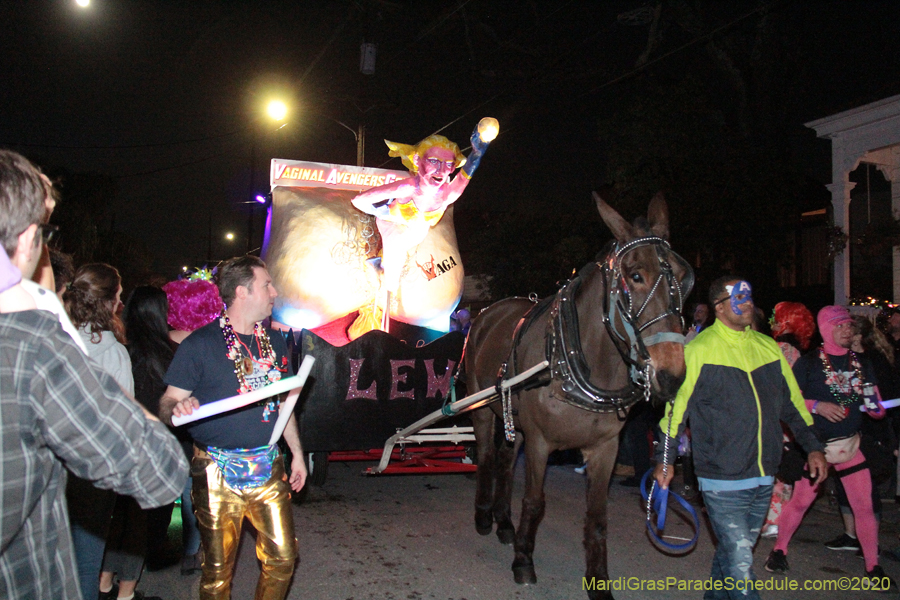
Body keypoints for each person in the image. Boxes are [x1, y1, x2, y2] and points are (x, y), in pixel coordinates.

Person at [0, 148, 187, 600]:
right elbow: (160, 470)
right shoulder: (35, 346)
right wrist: (50, 320)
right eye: (47, 231)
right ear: (27, 241)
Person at [654, 277, 827, 599]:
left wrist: (814, 447)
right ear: (719, 307)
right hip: (721, 478)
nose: (747, 303)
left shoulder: (768, 348)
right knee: (741, 565)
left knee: (733, 556)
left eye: (749, 297)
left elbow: (791, 405)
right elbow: (675, 413)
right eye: (738, 298)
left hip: (763, 475)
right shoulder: (697, 351)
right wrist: (664, 460)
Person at [159, 255, 307, 600]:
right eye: (266, 285)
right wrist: (178, 407)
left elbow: (284, 403)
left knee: (284, 558)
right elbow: (167, 402)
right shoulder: (199, 344)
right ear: (242, 292)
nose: (274, 291)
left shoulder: (275, 343)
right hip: (216, 471)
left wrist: (297, 453)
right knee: (216, 573)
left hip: (268, 465)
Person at [766, 306, 893, 588]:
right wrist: (817, 406)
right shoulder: (810, 363)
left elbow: (874, 401)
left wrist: (875, 408)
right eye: (841, 325)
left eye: (849, 325)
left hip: (850, 446)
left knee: (864, 507)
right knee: (800, 502)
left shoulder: (861, 363)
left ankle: (873, 567)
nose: (848, 330)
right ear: (827, 329)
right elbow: (788, 399)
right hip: (817, 449)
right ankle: (779, 551)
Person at [349, 118, 497, 338]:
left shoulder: (449, 193)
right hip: (394, 226)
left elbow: (467, 173)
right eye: (435, 161)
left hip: (417, 232)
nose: (442, 170)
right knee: (394, 261)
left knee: (399, 254)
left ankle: (382, 273)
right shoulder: (408, 187)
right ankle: (382, 305)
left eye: (448, 165)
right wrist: (388, 212)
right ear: (418, 160)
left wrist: (478, 150)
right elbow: (359, 201)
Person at [63, 263, 153, 600]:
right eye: (117, 297)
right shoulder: (113, 352)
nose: (120, 304)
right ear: (109, 301)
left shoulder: (55, 337)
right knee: (87, 560)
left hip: (53, 461)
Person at [760, 301, 817, 539]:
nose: (772, 321)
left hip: (778, 418)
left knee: (777, 469)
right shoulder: (796, 352)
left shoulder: (782, 349)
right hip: (785, 418)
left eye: (776, 317)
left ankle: (774, 520)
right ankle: (776, 520)